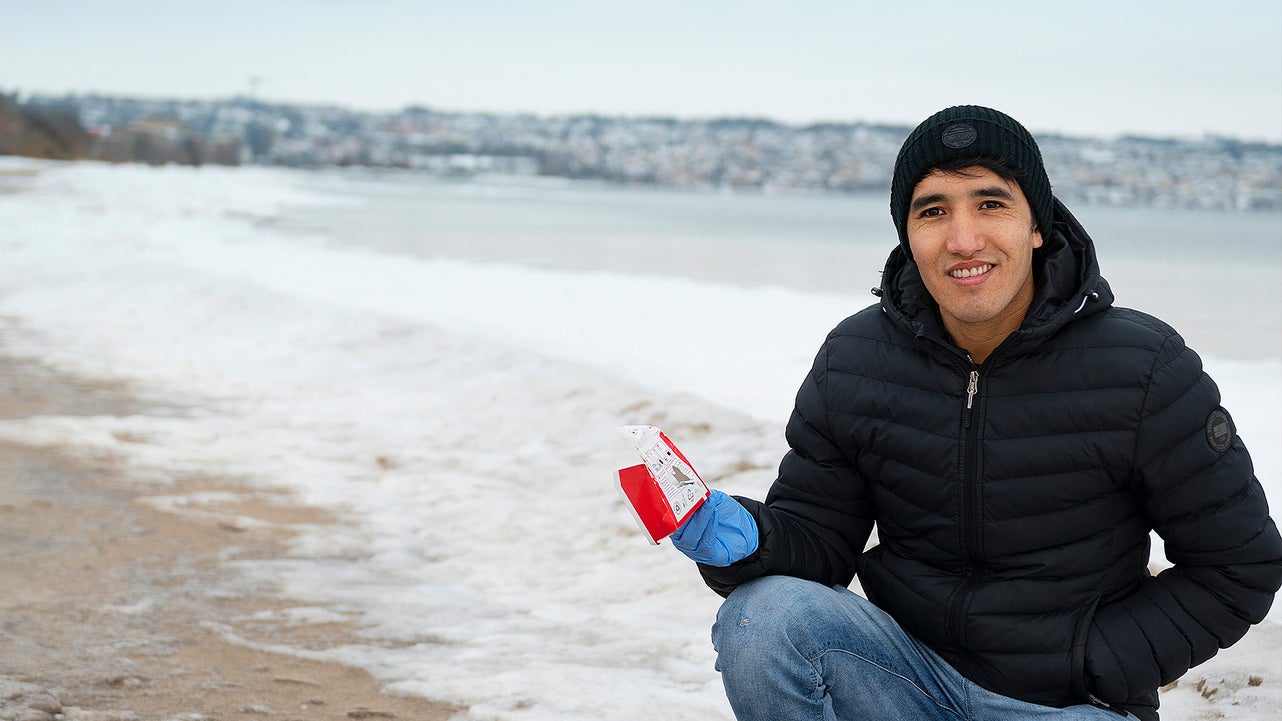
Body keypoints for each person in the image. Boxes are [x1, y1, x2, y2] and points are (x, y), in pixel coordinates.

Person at [668, 105, 1282, 721]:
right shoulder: (857, 358)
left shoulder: (1143, 366)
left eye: (991, 204)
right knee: (762, 616)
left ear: (1036, 225)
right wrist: (746, 539)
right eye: (933, 211)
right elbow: (821, 539)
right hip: (906, 678)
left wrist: (1094, 662)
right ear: (907, 235)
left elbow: (1237, 565)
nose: (963, 240)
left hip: (1069, 706)